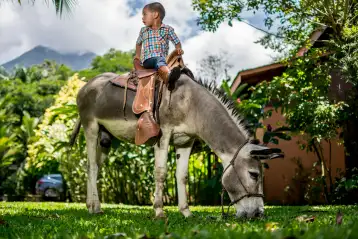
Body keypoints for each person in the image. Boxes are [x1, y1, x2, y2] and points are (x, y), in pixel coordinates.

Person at [134, 2, 183, 83]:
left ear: (155, 15)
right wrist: (137, 55)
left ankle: (166, 70)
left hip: (163, 60)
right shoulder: (143, 30)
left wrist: (178, 49)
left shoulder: (167, 29)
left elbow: (176, 41)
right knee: (159, 60)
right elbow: (138, 43)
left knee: (161, 60)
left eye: (145, 15)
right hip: (148, 60)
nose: (142, 18)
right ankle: (167, 75)